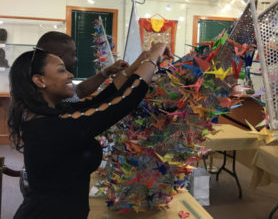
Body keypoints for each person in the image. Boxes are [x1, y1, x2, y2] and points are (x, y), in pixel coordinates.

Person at [8, 42, 172, 219]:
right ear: (40, 80)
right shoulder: (50, 128)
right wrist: (155, 54)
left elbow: (102, 100)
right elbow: (123, 101)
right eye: (62, 70)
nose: (70, 74)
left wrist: (140, 62)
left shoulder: (50, 117)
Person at [35, 31, 129, 102]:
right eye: (73, 54)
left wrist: (106, 72)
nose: (75, 59)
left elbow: (80, 90)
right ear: (56, 57)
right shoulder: (53, 93)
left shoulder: (57, 82)